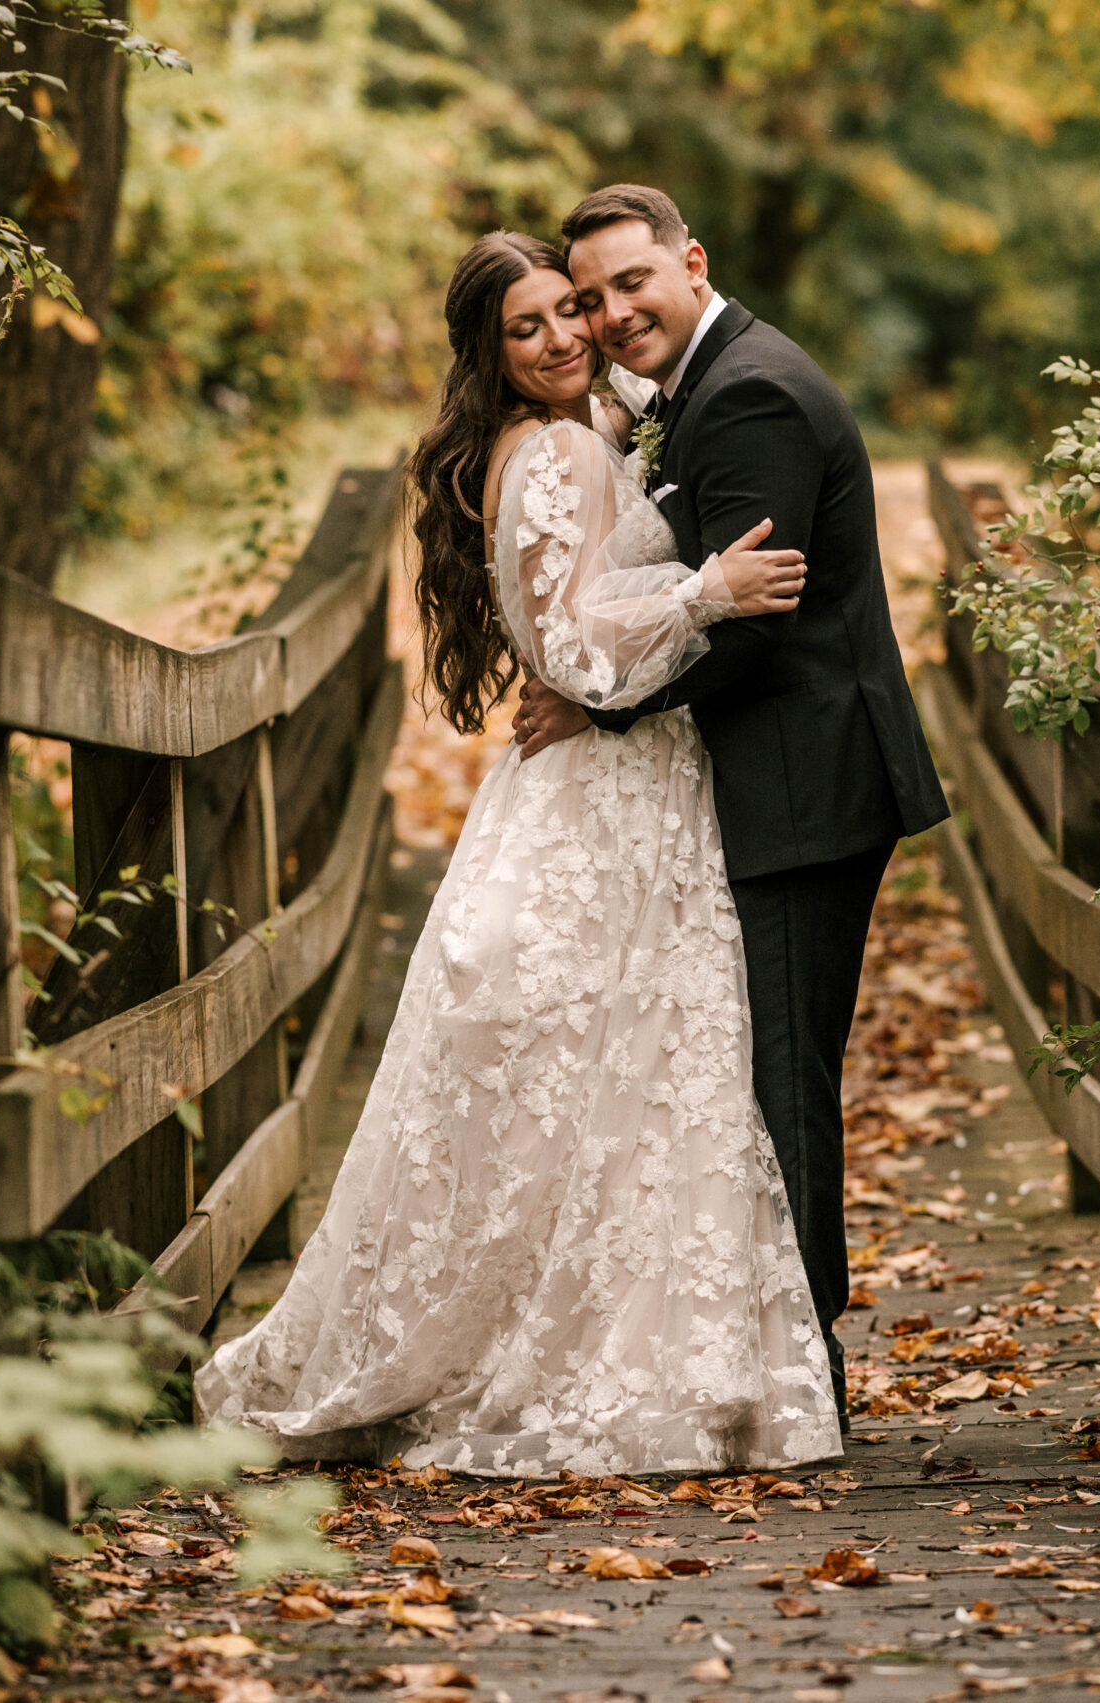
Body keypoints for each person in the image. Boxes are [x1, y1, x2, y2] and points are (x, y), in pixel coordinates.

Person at [193, 231, 843, 1476]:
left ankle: (654, 1350)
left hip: (625, 787)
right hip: (602, 800)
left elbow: (578, 630)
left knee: (633, 1079)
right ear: (488, 356)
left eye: (571, 310)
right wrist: (703, 593)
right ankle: (583, 1356)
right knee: (618, 1073)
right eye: (529, 326)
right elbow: (571, 649)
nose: (562, 337)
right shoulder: (548, 452)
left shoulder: (588, 431)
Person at [515, 184, 950, 1420]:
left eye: (628, 284)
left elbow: (753, 634)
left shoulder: (750, 392)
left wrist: (591, 706)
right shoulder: (711, 383)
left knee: (785, 1083)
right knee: (771, 1070)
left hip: (802, 782)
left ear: (690, 263)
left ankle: (807, 1371)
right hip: (784, 777)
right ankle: (786, 1357)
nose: (606, 315)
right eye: (587, 298)